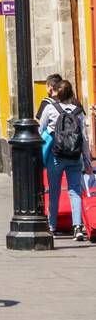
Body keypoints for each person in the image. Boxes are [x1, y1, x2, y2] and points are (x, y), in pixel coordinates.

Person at [40, 79, 93, 241]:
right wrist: (87, 162)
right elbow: (84, 138)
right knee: (75, 190)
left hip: (56, 156)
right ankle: (77, 227)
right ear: (71, 93)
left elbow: (40, 129)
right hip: (75, 157)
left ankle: (52, 226)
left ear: (57, 93)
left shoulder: (50, 109)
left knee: (54, 191)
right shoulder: (78, 111)